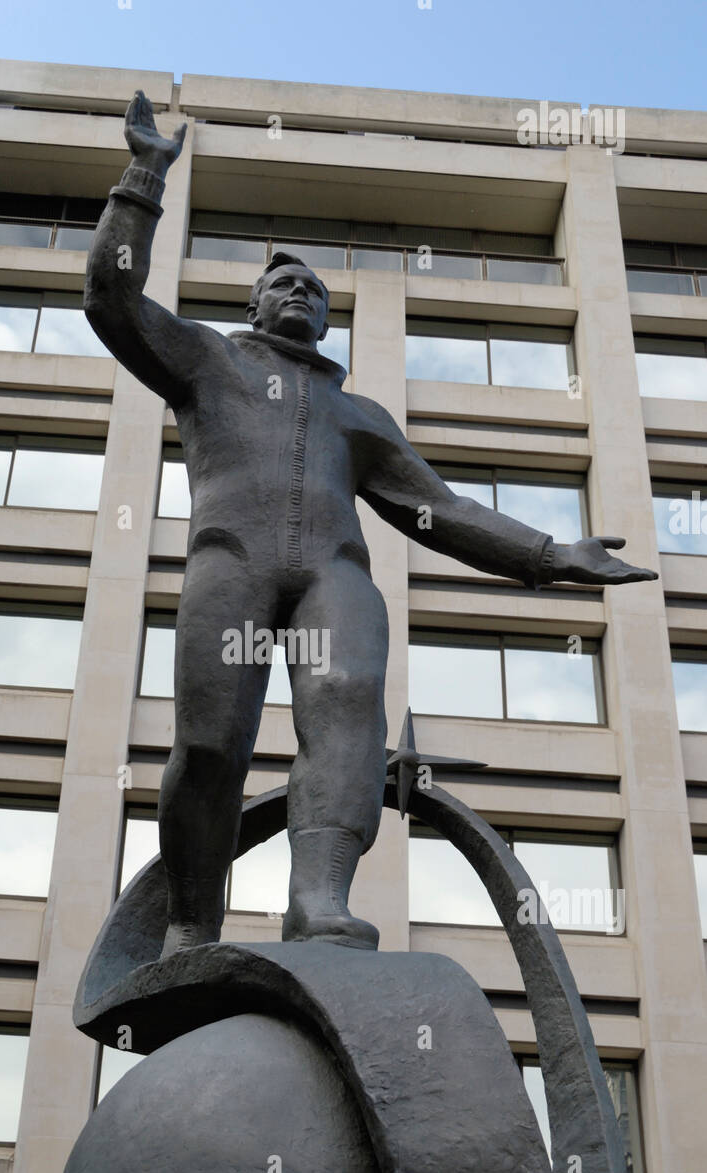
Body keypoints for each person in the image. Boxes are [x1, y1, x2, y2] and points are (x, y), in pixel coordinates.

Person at [85, 92, 656, 957]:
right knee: (210, 745)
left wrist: (549, 555)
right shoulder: (205, 360)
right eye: (284, 282)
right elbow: (112, 298)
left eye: (315, 289)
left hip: (332, 577)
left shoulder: (358, 416)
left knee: (349, 713)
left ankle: (318, 901)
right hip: (230, 563)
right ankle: (190, 918)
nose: (302, 294)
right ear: (253, 303)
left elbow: (443, 510)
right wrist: (141, 177)